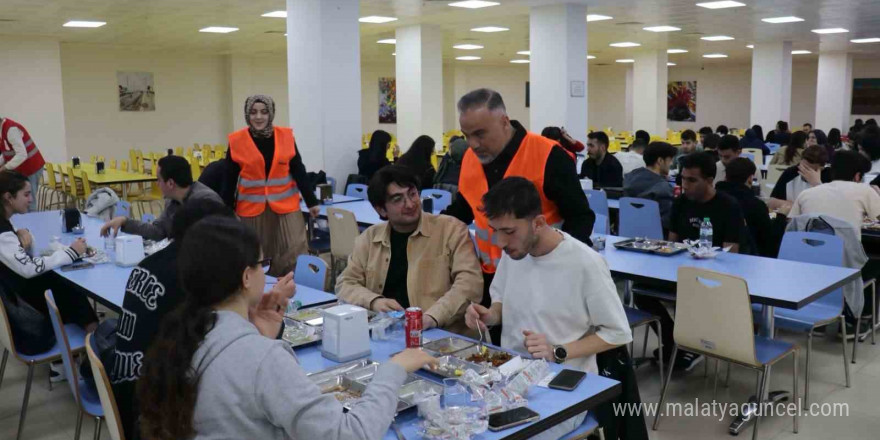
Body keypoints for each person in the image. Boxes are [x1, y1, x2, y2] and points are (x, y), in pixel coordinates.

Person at [136, 216, 438, 440]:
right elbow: (351, 434)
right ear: (246, 277)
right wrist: (394, 369)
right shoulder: (261, 358)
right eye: (261, 263)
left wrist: (259, 337)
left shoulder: (184, 336)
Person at [464, 177, 633, 440]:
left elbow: (618, 333)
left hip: (565, 387)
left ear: (539, 223)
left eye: (508, 232)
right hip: (510, 376)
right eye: (494, 230)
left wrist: (558, 351)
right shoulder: (515, 253)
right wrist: (490, 315)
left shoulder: (585, 263)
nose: (499, 242)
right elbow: (502, 302)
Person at [442, 88, 595, 342]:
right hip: (493, 279)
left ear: (504, 122)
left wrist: (559, 265)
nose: (473, 144)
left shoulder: (548, 155)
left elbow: (581, 217)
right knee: (505, 352)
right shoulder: (470, 158)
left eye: (480, 134)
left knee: (542, 354)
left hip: (543, 278)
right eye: (466, 136)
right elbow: (466, 206)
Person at [110, 200, 252, 439]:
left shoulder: (150, 263)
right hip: (153, 415)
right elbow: (225, 343)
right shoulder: (188, 277)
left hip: (127, 392)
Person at [336, 165, 482, 336]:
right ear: (381, 209)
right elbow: (345, 283)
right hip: (387, 333)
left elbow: (470, 286)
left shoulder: (452, 230)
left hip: (440, 334)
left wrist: (433, 317)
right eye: (398, 199)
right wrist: (374, 301)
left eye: (412, 194)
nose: (410, 204)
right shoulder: (370, 238)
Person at [637, 152, 745, 371]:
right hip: (682, 270)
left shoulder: (728, 206)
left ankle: (688, 345)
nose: (685, 185)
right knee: (641, 291)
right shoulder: (681, 202)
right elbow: (672, 242)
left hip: (714, 274)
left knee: (689, 295)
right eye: (683, 179)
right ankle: (674, 341)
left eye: (692, 180)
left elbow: (731, 253)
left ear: (709, 180)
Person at [0, 170, 97, 364]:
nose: (31, 199)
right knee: (69, 289)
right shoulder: (2, 233)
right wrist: (70, 253)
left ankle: (67, 361)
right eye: (26, 194)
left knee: (62, 285)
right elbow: (28, 268)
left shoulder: (5, 225)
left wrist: (20, 233)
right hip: (27, 324)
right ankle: (96, 353)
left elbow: (16, 254)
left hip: (14, 294)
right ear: (8, 198)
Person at [220, 95, 320, 277]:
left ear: (271, 114)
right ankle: (263, 296)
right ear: (247, 115)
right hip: (251, 210)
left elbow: (298, 169)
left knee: (294, 250)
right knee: (257, 256)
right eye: (253, 112)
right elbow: (229, 177)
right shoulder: (237, 140)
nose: (259, 117)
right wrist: (227, 210)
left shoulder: (286, 136)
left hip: (286, 206)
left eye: (264, 112)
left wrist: (311, 201)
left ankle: (293, 293)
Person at [100, 156, 222, 241]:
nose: (156, 184)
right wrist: (125, 222)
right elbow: (158, 231)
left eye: (158, 180)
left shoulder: (205, 201)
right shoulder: (172, 201)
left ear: (170, 183)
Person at [790, 150, 880, 235]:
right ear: (857, 176)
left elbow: (791, 223)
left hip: (808, 249)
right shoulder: (865, 190)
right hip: (847, 250)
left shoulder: (805, 194)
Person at [716, 158, 776, 257]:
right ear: (750, 178)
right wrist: (781, 218)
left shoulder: (714, 198)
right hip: (748, 259)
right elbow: (768, 241)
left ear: (725, 176)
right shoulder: (756, 205)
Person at [624, 142, 677, 228]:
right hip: (656, 237)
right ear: (660, 161)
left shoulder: (629, 178)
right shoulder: (663, 188)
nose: (671, 164)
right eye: (670, 160)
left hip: (628, 231)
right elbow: (668, 222)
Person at [0, 117, 46, 212]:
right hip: (24, 168)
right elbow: (6, 153)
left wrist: (4, 167)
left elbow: (22, 154)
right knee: (23, 199)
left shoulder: (10, 130)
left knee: (29, 200)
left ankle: (32, 224)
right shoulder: (2, 131)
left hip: (32, 167)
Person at [769, 145, 831, 213]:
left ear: (821, 168)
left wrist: (817, 185)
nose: (803, 171)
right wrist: (794, 207)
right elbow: (771, 202)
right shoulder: (791, 173)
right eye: (802, 166)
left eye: (808, 169)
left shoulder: (829, 177)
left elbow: (830, 208)